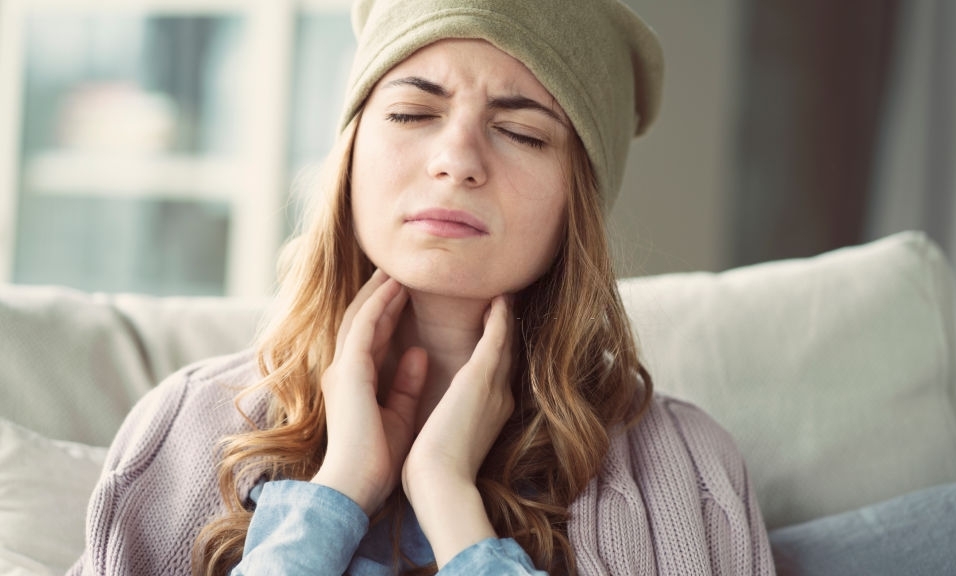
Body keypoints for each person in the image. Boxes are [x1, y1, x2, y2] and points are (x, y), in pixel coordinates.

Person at [70, 0, 775, 574]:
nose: (457, 159)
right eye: (413, 113)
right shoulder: (184, 431)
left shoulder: (689, 472)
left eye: (523, 132)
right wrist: (338, 492)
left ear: (579, 205)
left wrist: (447, 496)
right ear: (350, 156)